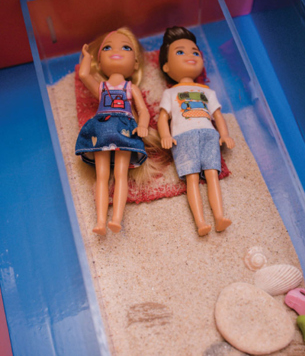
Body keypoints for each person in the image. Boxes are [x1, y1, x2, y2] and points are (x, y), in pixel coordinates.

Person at [75, 27, 157, 235]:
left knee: (120, 174)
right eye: (108, 48)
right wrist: (85, 57)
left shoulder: (131, 88)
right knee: (102, 176)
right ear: (100, 62)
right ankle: (100, 221)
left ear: (136, 63)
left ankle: (117, 219)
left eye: (126, 47)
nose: (116, 51)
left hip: (125, 131)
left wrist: (143, 125)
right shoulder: (101, 87)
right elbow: (84, 74)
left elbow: (143, 111)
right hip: (101, 130)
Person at [157, 26, 235, 236]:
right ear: (166, 67)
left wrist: (225, 134)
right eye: (180, 52)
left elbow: (217, 116)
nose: (190, 56)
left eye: (195, 52)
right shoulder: (170, 93)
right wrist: (165, 135)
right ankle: (200, 222)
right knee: (191, 178)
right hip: (183, 137)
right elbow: (163, 117)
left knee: (212, 174)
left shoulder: (207, 92)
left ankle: (219, 217)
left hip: (209, 135)